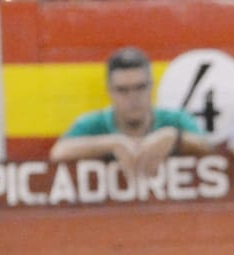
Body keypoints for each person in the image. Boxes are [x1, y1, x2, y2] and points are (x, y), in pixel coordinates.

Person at [49, 47, 216, 177]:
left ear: (152, 87)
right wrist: (113, 143)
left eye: (140, 87)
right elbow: (59, 152)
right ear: (110, 91)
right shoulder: (92, 123)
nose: (133, 97)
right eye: (123, 90)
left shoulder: (174, 121)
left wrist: (174, 137)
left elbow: (208, 147)